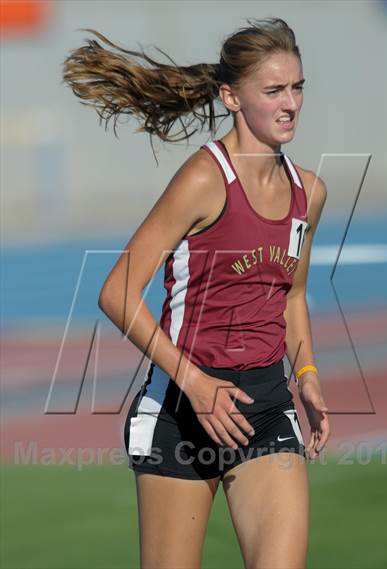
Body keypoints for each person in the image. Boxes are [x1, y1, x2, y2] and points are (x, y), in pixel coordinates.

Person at [62, 16, 330, 569]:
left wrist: (307, 378)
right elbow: (116, 292)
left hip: (267, 409)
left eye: (298, 87)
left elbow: (293, 297)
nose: (291, 104)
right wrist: (195, 382)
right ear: (231, 96)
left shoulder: (311, 191)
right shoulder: (204, 180)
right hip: (181, 414)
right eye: (273, 90)